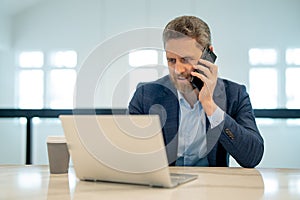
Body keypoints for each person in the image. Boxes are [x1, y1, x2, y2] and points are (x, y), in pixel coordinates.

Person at [128, 15, 264, 168]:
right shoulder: (146, 95)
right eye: (171, 60)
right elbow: (129, 155)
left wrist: (210, 107)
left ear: (208, 54)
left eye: (186, 59)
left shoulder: (234, 95)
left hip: (213, 188)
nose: (178, 70)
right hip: (165, 188)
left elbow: (252, 157)